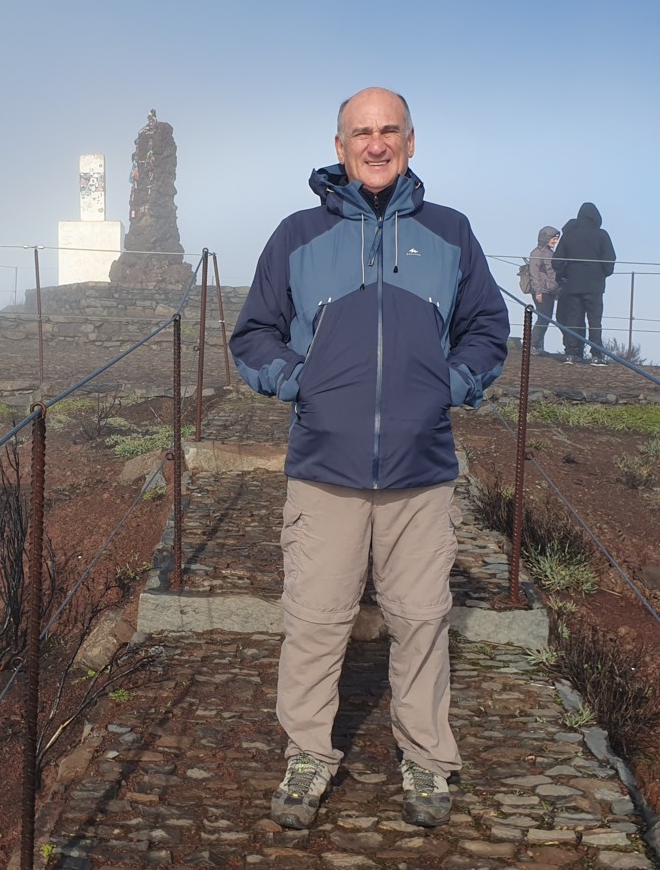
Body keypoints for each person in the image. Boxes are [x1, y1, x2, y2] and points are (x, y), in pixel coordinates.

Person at [229, 87, 509, 831]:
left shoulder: (451, 232)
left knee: (422, 619)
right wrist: (300, 381)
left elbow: (487, 327)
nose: (376, 144)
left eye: (390, 131)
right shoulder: (297, 235)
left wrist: (447, 384)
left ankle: (426, 756)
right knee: (315, 619)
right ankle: (308, 755)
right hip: (326, 466)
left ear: (411, 142)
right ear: (340, 146)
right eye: (362, 133)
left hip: (421, 467)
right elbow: (253, 335)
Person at [551, 202, 615, 365]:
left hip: (573, 284)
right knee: (595, 320)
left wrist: (564, 274)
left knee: (573, 319)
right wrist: (603, 273)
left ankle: (572, 353)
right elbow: (609, 259)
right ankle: (596, 355)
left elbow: (557, 261)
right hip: (595, 285)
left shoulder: (569, 235)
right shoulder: (601, 235)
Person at [526, 226, 560, 355]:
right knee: (543, 317)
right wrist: (538, 291)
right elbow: (534, 273)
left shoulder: (551, 253)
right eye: (553, 238)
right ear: (546, 238)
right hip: (542, 291)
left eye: (556, 238)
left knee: (546, 317)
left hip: (550, 290)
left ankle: (537, 345)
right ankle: (532, 345)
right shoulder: (537, 253)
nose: (555, 241)